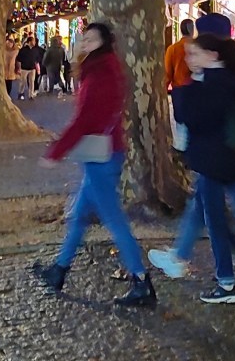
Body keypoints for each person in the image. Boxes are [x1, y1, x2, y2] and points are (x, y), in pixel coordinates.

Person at [33, 23, 157, 307]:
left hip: (103, 157)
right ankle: (59, 269)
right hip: (100, 155)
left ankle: (141, 281)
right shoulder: (101, 67)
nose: (85, 42)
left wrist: (56, 152)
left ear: (104, 42)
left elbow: (84, 120)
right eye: (84, 38)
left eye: (91, 39)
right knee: (79, 217)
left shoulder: (101, 73)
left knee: (114, 220)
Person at [148, 31, 235, 297]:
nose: (189, 59)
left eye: (194, 54)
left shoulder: (210, 84)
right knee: (231, 210)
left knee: (213, 219)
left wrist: (187, 90)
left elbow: (191, 117)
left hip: (213, 160)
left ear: (212, 55)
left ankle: (225, 281)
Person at [164, 19, 195, 90]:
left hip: (179, 89)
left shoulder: (172, 49)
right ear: (192, 30)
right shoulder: (199, 47)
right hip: (197, 89)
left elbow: (168, 74)